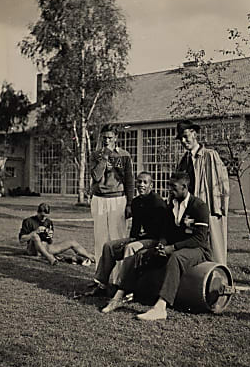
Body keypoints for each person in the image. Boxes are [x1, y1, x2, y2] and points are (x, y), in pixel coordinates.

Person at [102, 171, 210, 321]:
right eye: (169, 186)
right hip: (175, 246)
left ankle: (160, 307)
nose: (169, 189)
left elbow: (199, 238)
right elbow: (166, 232)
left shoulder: (199, 206)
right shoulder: (171, 204)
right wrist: (161, 245)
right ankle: (119, 296)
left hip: (197, 250)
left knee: (175, 258)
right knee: (140, 255)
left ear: (185, 187)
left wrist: (172, 248)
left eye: (174, 186)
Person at [82, 171, 169, 296]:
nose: (141, 185)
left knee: (130, 248)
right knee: (108, 246)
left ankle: (123, 288)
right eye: (139, 182)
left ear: (151, 185)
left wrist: (154, 243)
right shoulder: (136, 202)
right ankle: (102, 285)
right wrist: (132, 239)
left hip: (154, 240)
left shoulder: (157, 202)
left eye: (145, 182)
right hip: (139, 239)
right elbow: (135, 227)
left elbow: (162, 230)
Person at [175, 119, 230, 264]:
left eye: (186, 136)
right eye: (180, 138)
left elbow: (221, 184)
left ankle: (219, 279)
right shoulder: (183, 161)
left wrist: (217, 208)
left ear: (194, 134)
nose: (183, 140)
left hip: (208, 208)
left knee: (213, 245)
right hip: (189, 209)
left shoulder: (209, 156)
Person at [90, 124, 134, 266]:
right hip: (100, 199)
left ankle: (118, 278)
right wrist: (105, 156)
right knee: (100, 239)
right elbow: (96, 176)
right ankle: (100, 278)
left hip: (118, 199)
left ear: (116, 138)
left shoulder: (124, 155)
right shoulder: (96, 155)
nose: (107, 140)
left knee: (118, 239)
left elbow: (129, 180)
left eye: (110, 137)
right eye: (104, 138)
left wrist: (129, 203)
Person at [19, 203, 93, 267]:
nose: (44, 218)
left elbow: (50, 241)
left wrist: (49, 236)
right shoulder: (28, 221)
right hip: (33, 249)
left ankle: (92, 257)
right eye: (42, 216)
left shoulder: (48, 222)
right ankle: (50, 258)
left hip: (46, 247)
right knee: (35, 236)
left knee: (71, 242)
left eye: (46, 216)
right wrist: (35, 232)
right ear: (37, 213)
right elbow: (21, 240)